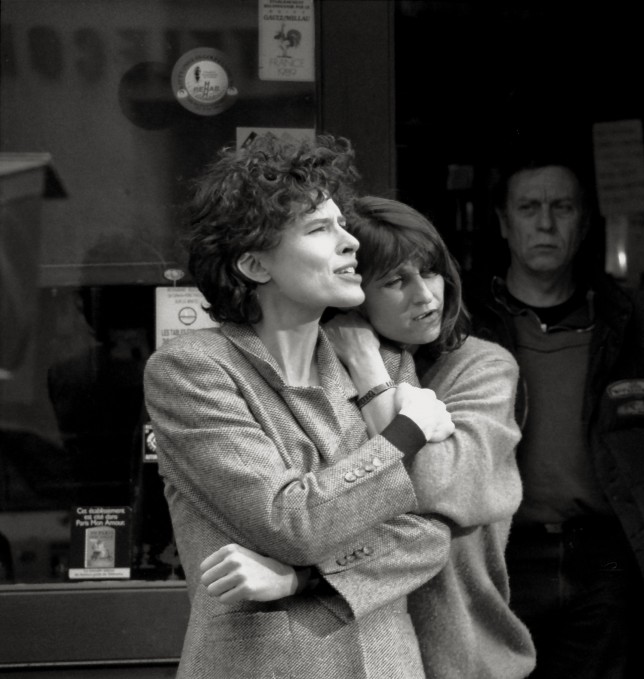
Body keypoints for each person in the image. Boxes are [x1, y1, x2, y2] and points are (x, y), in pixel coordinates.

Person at [143, 134, 456, 679]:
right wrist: (404, 434)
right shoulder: (193, 370)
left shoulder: (379, 364)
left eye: (341, 224)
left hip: (388, 663)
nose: (350, 242)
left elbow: (431, 531)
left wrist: (302, 580)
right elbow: (291, 521)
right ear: (255, 266)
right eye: (319, 229)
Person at [198, 196, 537, 679]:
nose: (426, 296)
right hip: (357, 647)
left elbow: (438, 488)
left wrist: (368, 367)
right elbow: (312, 513)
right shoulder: (307, 371)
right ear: (354, 290)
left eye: (432, 271)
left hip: (462, 654)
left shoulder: (479, 366)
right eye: (397, 281)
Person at [466, 136, 644, 679]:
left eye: (561, 207)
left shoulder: (637, 322)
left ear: (585, 220)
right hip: (496, 557)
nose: (545, 224)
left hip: (607, 561)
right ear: (503, 222)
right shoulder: (464, 324)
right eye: (528, 208)